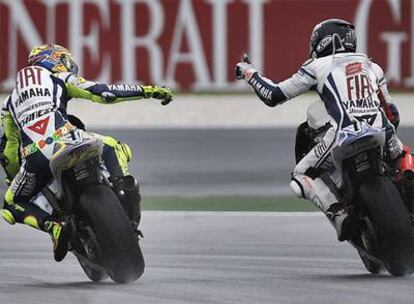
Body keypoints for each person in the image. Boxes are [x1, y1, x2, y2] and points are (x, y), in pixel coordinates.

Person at [0, 44, 173, 262]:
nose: (70, 66)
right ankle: (123, 187)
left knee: (10, 204)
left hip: (36, 154)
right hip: (68, 137)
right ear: (55, 60)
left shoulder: (9, 104)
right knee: (112, 145)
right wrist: (148, 91)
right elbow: (104, 93)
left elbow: (8, 149)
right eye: (66, 61)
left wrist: (16, 176)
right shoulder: (58, 77)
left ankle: (52, 226)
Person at [236, 19, 404, 241]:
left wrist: (249, 73)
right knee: (403, 157)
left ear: (326, 42)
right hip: (381, 130)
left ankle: (338, 213)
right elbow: (392, 114)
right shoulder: (373, 67)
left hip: (343, 134)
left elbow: (273, 95)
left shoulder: (316, 66)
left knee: (300, 175)